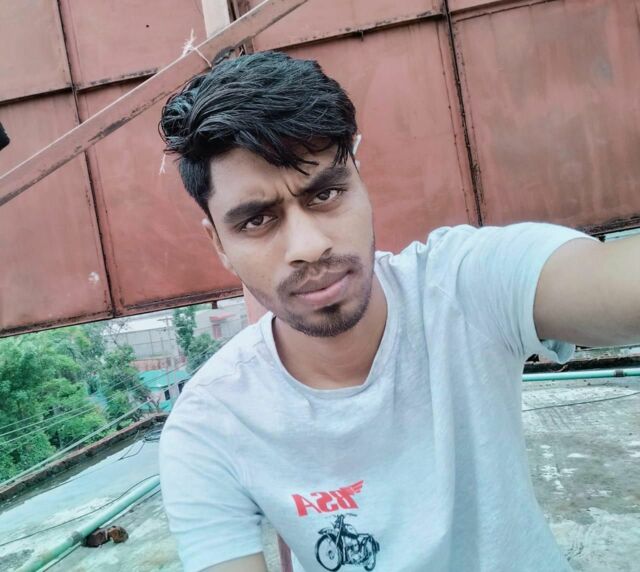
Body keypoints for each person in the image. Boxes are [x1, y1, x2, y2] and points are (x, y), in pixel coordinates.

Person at [158, 51, 639, 572]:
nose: (309, 246)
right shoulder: (209, 425)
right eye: (257, 221)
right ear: (219, 244)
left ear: (361, 182)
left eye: (326, 194)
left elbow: (608, 282)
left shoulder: (463, 286)